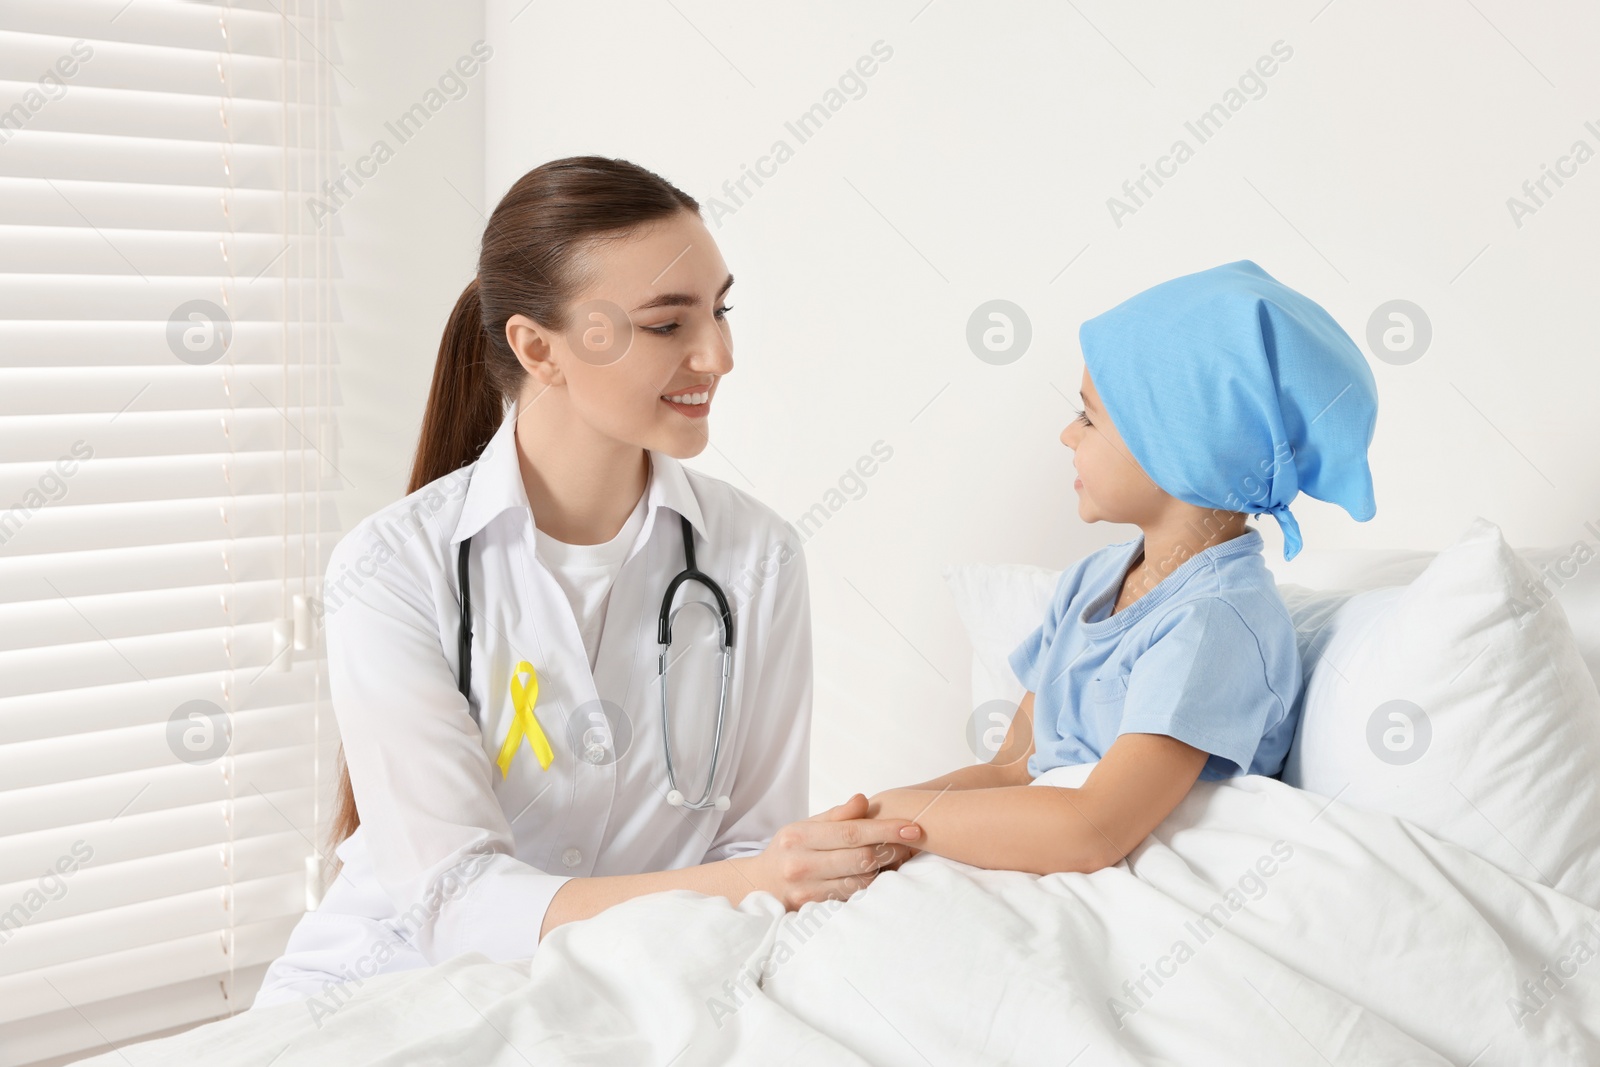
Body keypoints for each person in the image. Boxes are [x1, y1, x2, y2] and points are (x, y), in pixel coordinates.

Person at [253, 156, 919, 1010]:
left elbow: (750, 851)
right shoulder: (389, 568)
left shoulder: (756, 555)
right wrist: (760, 876)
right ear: (538, 348)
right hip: (387, 992)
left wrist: (771, 878)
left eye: (719, 309)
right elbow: (455, 906)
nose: (717, 353)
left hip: (631, 993)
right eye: (666, 323)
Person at [867, 259, 1379, 875]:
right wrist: (873, 822)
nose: (1065, 434)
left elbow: (1095, 830)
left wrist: (904, 818)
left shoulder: (1216, 622)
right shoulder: (1092, 581)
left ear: (1179, 448)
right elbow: (1012, 768)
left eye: (1088, 417)